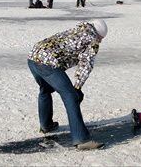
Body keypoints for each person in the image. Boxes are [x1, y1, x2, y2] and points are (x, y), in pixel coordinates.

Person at [27, 19, 108, 150]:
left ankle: (46, 125)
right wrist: (77, 87)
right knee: (71, 96)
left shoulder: (79, 30)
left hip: (33, 57)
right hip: (47, 62)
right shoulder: (92, 39)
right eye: (101, 38)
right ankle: (82, 140)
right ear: (98, 33)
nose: (100, 41)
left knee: (45, 90)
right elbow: (86, 64)